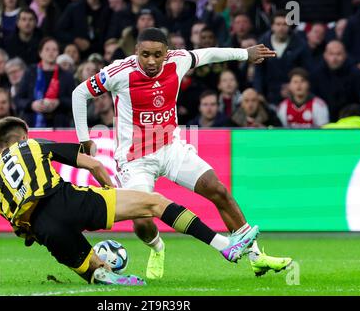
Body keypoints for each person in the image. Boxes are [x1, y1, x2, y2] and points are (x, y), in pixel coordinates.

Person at [72, 27, 292, 280]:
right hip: (135, 158)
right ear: (136, 52)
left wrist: (245, 54)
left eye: (158, 55)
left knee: (216, 188)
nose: (152, 61)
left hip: (171, 147)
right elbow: (79, 93)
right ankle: (157, 247)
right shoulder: (118, 72)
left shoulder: (178, 60)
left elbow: (207, 55)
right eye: (145, 55)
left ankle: (255, 257)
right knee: (142, 218)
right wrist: (85, 140)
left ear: (167, 53)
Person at [0, 116, 260, 285]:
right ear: (23, 136)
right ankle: (224, 246)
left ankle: (101, 273)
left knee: (98, 271)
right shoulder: (33, 144)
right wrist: (109, 195)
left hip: (45, 231)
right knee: (153, 202)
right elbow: (94, 165)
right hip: (69, 201)